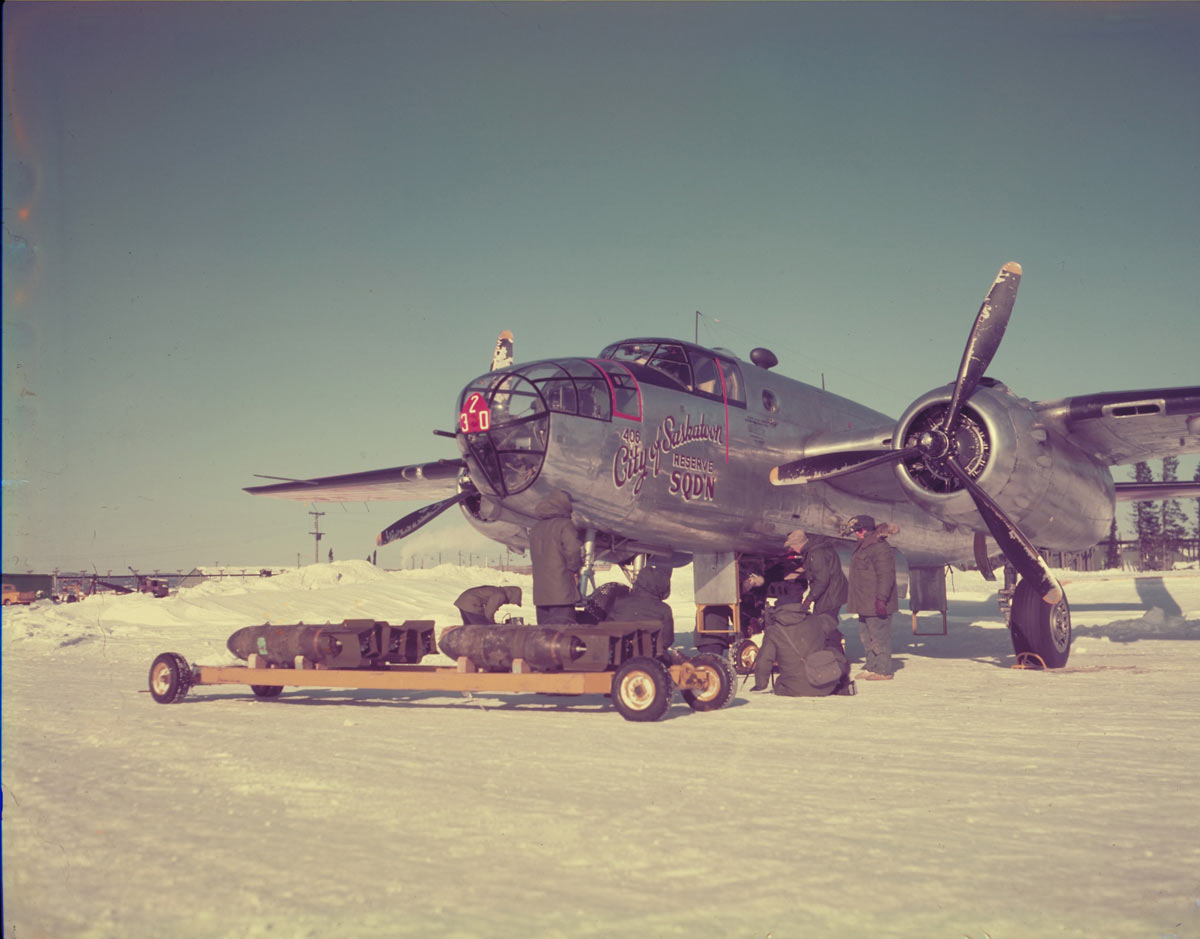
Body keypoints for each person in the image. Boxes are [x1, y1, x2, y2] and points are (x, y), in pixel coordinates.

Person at [843, 514, 899, 680]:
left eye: (858, 530)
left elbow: (885, 575)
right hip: (864, 602)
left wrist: (881, 599)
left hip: (876, 602)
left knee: (879, 637)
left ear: (866, 530)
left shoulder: (880, 548)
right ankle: (871, 666)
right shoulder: (864, 546)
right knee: (866, 637)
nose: (856, 534)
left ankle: (883, 670)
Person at [750, 608, 848, 696]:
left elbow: (764, 659)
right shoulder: (814, 620)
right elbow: (832, 622)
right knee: (833, 651)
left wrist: (760, 684)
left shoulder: (774, 631)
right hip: (824, 684)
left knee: (781, 684)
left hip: (793, 689)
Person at [785, 529, 849, 653]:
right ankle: (832, 656)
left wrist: (809, 598)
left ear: (799, 544)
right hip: (831, 593)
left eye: (792, 546)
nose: (792, 549)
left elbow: (822, 580)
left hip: (830, 595)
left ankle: (836, 658)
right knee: (825, 624)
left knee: (826, 626)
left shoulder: (816, 554)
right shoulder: (816, 550)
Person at [528, 489, 584, 624]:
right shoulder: (565, 525)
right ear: (564, 505)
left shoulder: (535, 528)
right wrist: (574, 570)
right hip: (561, 592)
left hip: (541, 595)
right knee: (563, 636)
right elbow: (573, 550)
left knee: (545, 635)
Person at [607, 565, 675, 649]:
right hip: (650, 658)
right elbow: (667, 640)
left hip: (617, 656)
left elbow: (608, 629)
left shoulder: (619, 602)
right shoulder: (664, 609)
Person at [453, 585, 523, 625]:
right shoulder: (500, 595)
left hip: (463, 601)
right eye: (513, 602)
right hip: (471, 603)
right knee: (482, 629)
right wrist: (492, 625)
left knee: (469, 627)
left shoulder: (497, 590)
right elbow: (489, 612)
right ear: (513, 596)